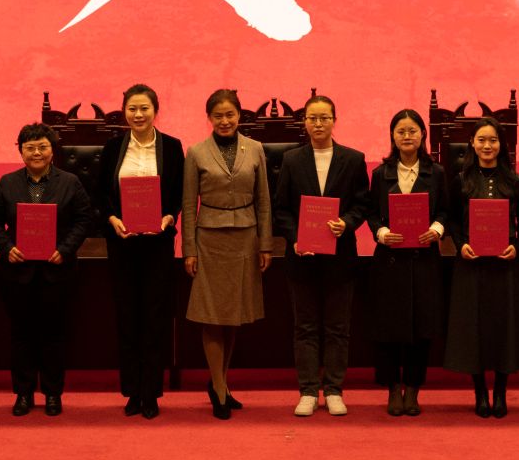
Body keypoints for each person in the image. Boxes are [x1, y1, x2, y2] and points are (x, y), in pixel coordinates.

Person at [272, 93, 369, 416]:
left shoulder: (353, 159)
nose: (318, 124)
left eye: (324, 118)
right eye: (312, 118)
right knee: (306, 327)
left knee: (338, 327)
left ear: (334, 120)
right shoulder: (292, 160)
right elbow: (281, 209)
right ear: (304, 122)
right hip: (303, 257)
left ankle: (335, 389)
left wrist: (347, 223)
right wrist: (295, 237)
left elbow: (362, 204)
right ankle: (308, 390)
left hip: (341, 257)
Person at [93, 82, 184, 418]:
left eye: (144, 108)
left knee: (155, 317)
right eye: (132, 108)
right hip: (123, 243)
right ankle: (132, 391)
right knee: (128, 317)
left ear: (155, 111)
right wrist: (112, 219)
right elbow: (100, 193)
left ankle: (151, 393)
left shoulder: (172, 147)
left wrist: (168, 217)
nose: (138, 114)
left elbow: (179, 192)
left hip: (158, 245)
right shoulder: (113, 147)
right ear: (124, 112)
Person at [0, 122, 94, 416]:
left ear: (52, 150)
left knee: (54, 334)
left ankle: (52, 393)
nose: (36, 153)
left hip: (56, 272)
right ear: (21, 151)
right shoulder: (7, 183)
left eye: (42, 147)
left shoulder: (70, 182)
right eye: (30, 148)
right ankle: (23, 393)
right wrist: (6, 247)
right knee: (21, 335)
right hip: (18, 272)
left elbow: (84, 220)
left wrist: (65, 249)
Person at [182, 88, 273, 419]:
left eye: (230, 114)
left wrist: (265, 244)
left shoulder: (256, 148)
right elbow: (188, 203)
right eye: (218, 115)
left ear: (239, 116)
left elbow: (264, 200)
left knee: (235, 315)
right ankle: (219, 389)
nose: (224, 121)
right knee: (212, 315)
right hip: (209, 240)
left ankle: (221, 382)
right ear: (209, 118)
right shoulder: (196, 152)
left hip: (246, 238)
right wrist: (189, 249)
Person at [445, 115, 519, 419]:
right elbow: (453, 220)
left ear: (501, 145)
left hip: (505, 266)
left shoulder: (515, 181)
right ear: (472, 143)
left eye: (493, 140)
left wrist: (517, 246)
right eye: (481, 140)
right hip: (471, 265)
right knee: (475, 330)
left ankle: (501, 391)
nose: (487, 146)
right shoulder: (461, 181)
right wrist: (460, 245)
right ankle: (480, 391)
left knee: (503, 328)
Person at [363, 107, 448, 417]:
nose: (407, 136)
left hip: (424, 260)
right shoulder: (380, 174)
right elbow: (371, 213)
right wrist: (381, 233)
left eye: (412, 131)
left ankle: (412, 388)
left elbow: (445, 211)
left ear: (423, 135)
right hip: (389, 262)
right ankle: (392, 387)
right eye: (401, 131)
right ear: (393, 136)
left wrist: (437, 229)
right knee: (388, 329)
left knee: (420, 329)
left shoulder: (436, 173)